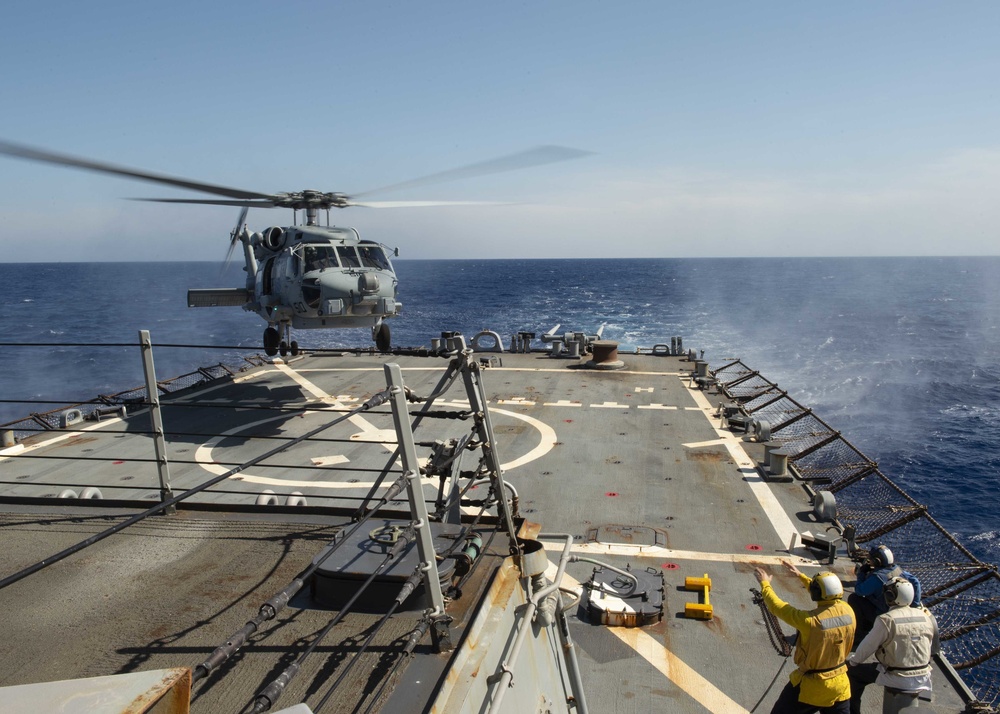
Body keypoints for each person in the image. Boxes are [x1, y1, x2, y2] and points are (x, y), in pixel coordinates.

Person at [755, 562, 856, 713]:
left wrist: (765, 584)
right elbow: (827, 593)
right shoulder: (848, 611)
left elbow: (777, 607)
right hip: (840, 685)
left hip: (812, 686)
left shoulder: (809, 621)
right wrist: (801, 576)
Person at [847, 576, 939, 713]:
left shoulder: (887, 620)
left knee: (853, 674)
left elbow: (867, 647)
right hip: (923, 677)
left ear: (890, 597)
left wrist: (853, 662)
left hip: (898, 677)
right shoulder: (926, 617)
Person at [849, 545, 923, 643]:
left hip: (884, 614)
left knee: (854, 598)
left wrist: (861, 574)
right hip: (901, 614)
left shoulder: (877, 578)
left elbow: (859, 591)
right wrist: (915, 604)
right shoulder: (898, 570)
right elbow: (916, 581)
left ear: (876, 561)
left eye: (870, 559)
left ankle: (860, 635)